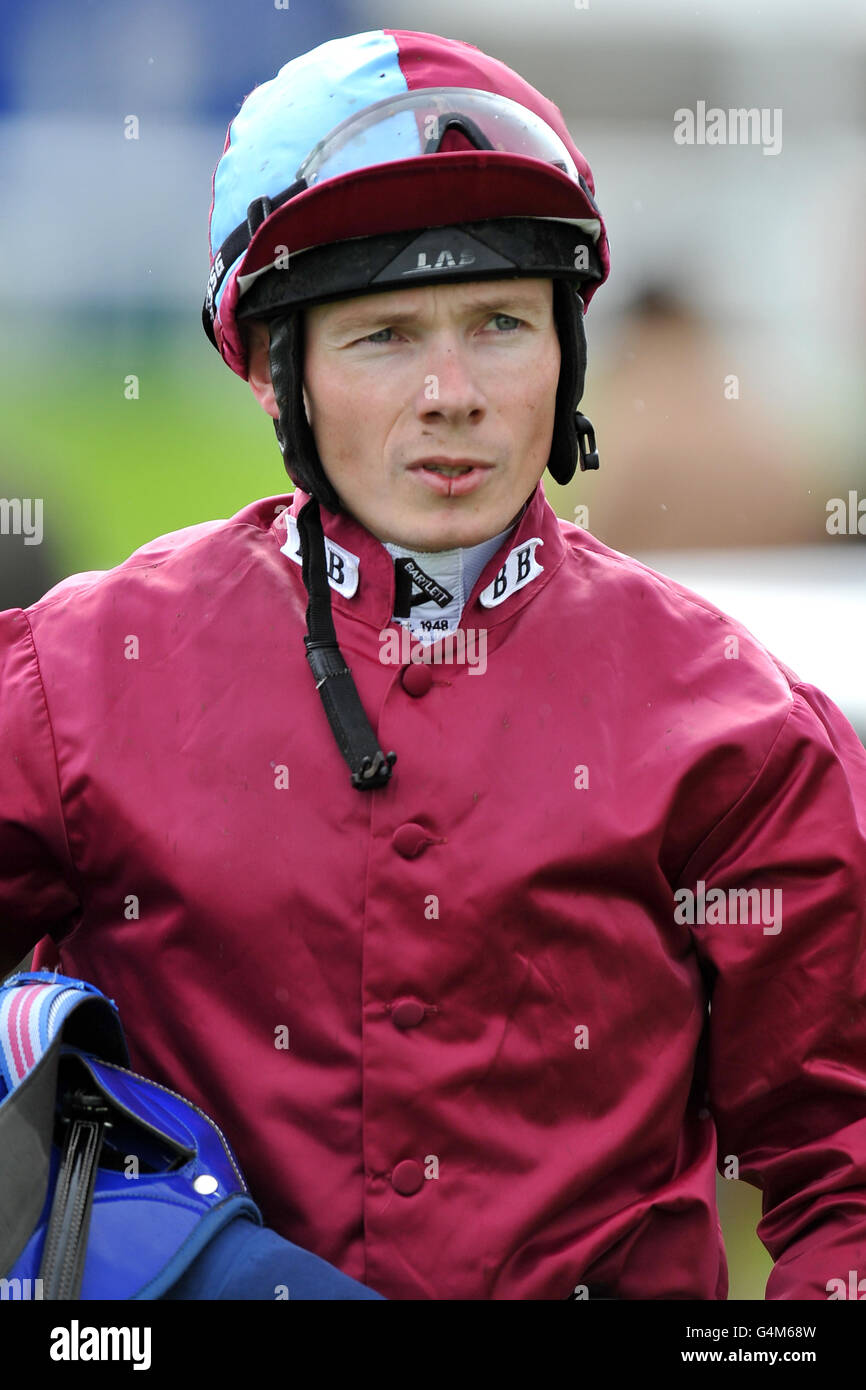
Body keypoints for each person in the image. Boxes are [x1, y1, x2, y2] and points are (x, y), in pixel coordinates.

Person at [1, 28, 864, 1302]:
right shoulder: (73, 678)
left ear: (568, 351)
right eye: (385, 336)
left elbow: (841, 1171)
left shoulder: (740, 730)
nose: (452, 391)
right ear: (273, 376)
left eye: (500, 322)